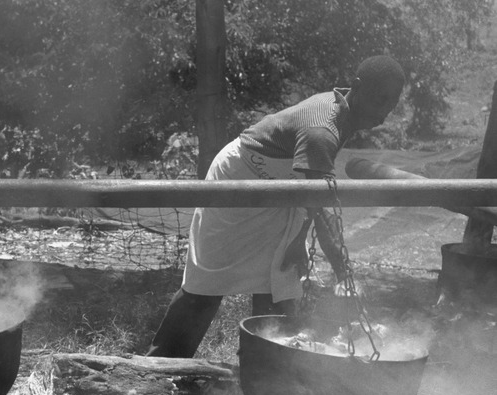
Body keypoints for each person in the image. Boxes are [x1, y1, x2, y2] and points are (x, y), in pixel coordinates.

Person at [147, 55, 405, 358]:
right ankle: (161, 368)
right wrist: (344, 274)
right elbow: (322, 205)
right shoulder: (323, 129)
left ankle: (266, 372)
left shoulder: (343, 113)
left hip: (282, 190)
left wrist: (297, 240)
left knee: (280, 279)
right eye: (379, 101)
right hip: (238, 183)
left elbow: (311, 193)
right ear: (357, 87)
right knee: (205, 285)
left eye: (391, 105)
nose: (383, 115)